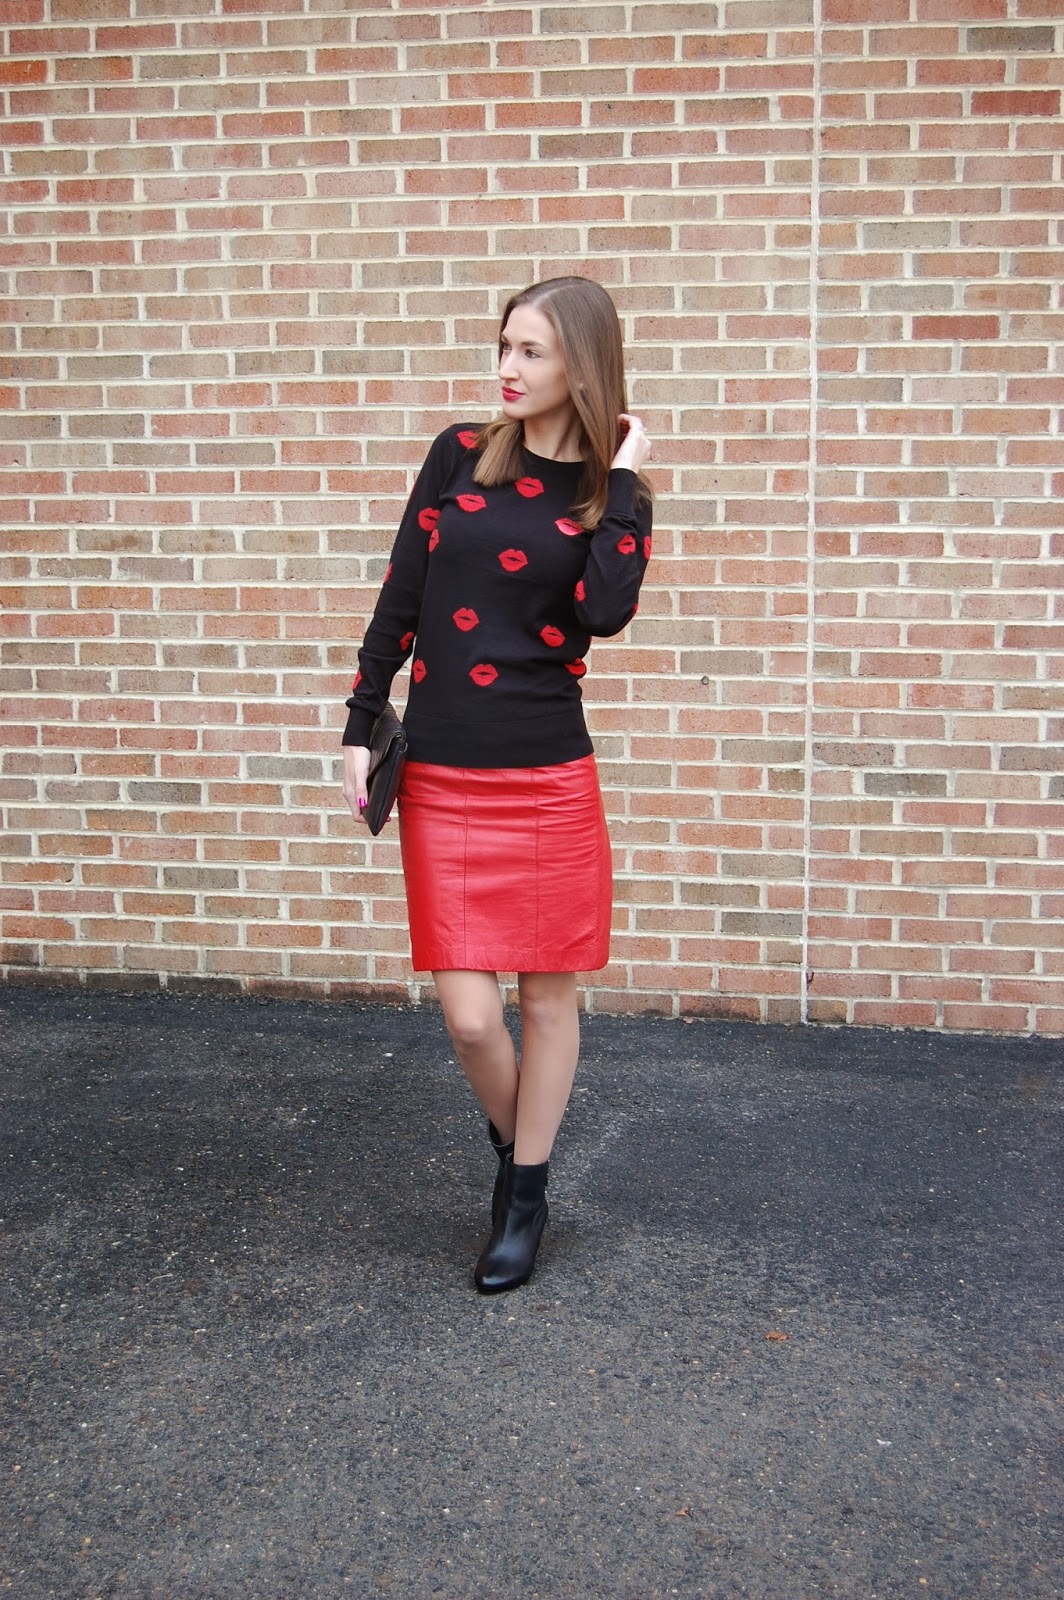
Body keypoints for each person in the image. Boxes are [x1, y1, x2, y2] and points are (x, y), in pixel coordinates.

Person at [341, 276, 653, 1294]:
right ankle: (519, 1148)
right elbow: (401, 592)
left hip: (548, 775)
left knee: (547, 998)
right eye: (504, 346)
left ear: (582, 367)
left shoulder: (609, 496)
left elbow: (604, 614)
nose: (508, 368)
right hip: (442, 770)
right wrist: (360, 720)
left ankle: (523, 1199)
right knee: (472, 1016)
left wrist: (626, 481)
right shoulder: (458, 453)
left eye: (531, 351)